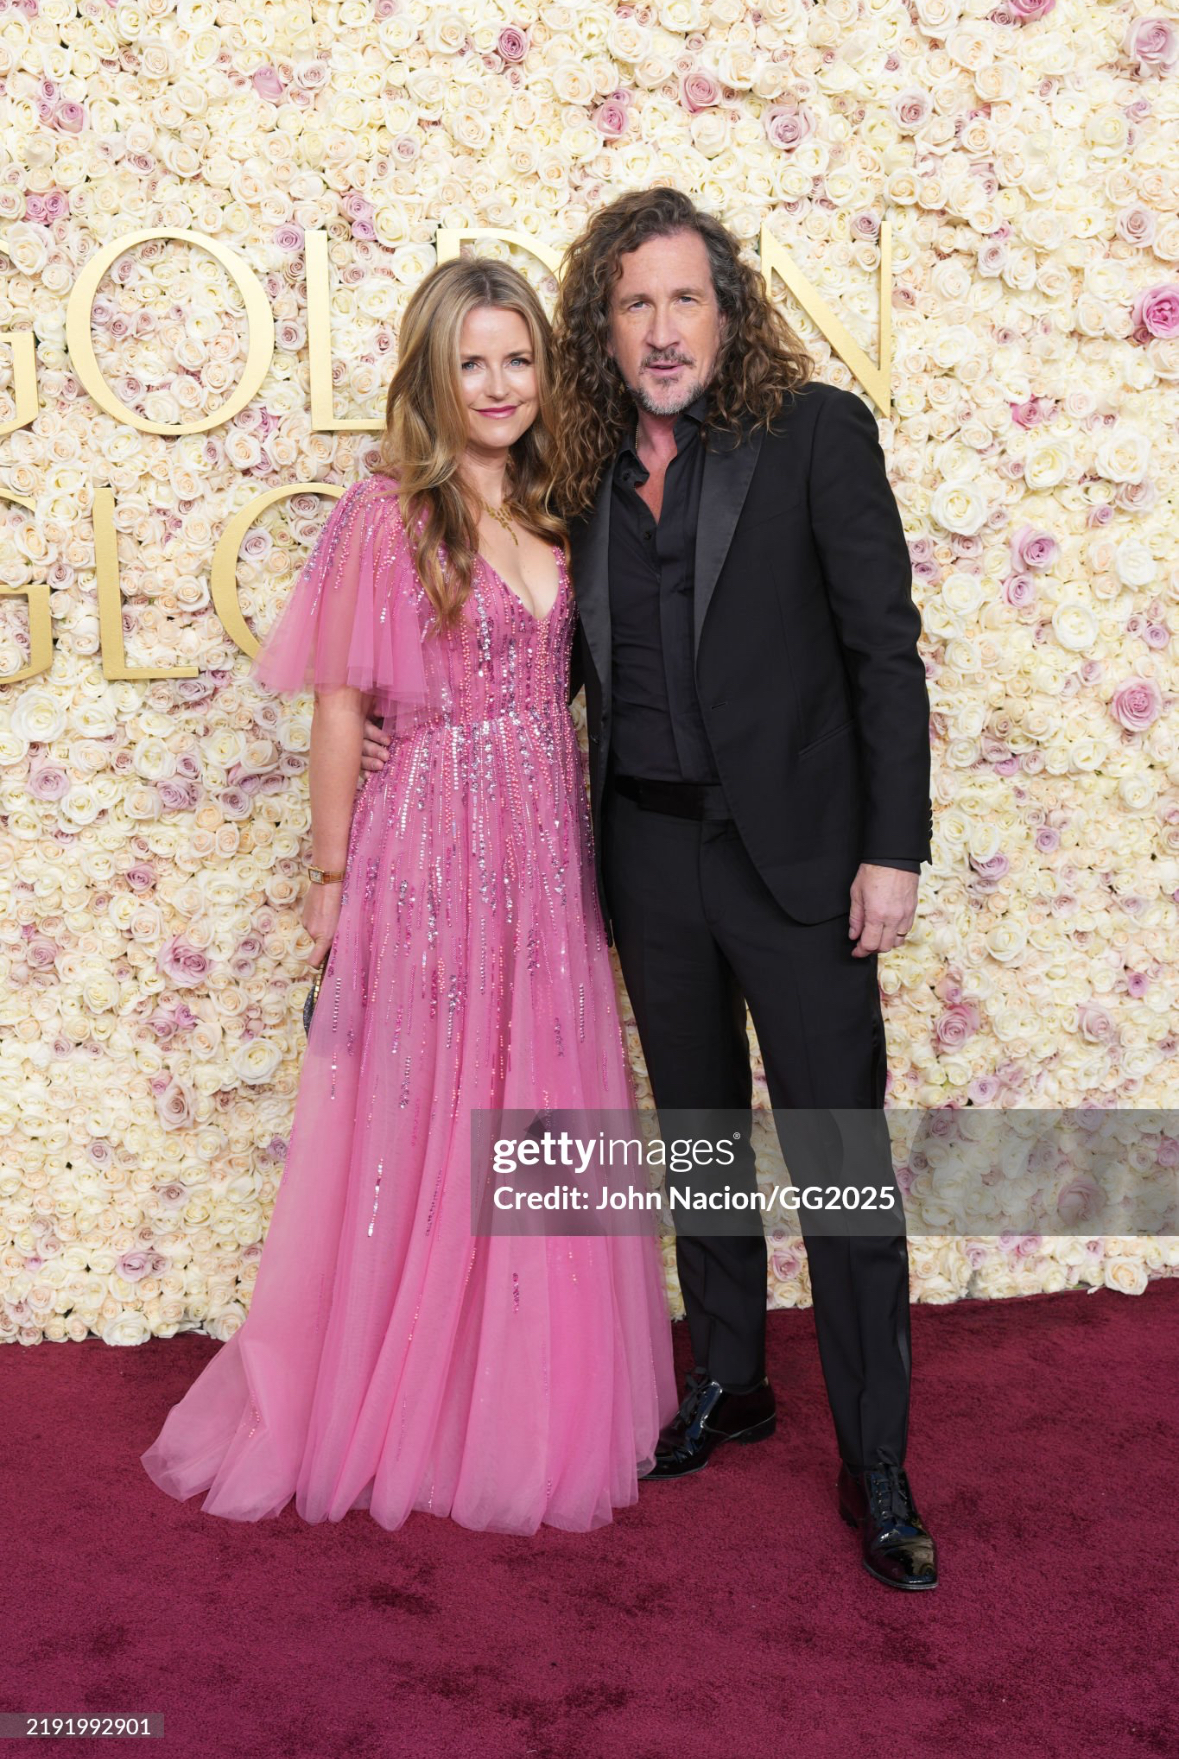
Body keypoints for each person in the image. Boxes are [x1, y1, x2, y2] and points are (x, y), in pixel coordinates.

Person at [361, 191, 939, 1590]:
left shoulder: (812, 435)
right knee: (694, 1140)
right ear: (600, 327)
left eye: (683, 300)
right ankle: (728, 1379)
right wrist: (408, 720)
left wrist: (892, 848)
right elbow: (540, 646)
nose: (660, 328)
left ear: (721, 310)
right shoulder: (578, 464)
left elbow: (882, 651)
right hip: (643, 851)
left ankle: (875, 1461)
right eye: (632, 305)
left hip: (799, 859)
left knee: (839, 1165)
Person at [140, 257, 677, 1536]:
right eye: (472, 362)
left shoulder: (567, 501)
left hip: (549, 852)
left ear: (546, 373)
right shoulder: (384, 514)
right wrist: (330, 878)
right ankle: (401, 1395)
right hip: (428, 851)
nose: (498, 386)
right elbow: (340, 705)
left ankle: (523, 1398)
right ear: (433, 375)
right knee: (426, 1116)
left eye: (518, 359)